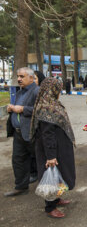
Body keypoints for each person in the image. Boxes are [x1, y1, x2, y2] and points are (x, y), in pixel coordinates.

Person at [29, 77, 75, 218]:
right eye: (58, 89)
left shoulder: (51, 103)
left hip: (58, 148)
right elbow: (47, 134)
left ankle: (56, 198)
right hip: (51, 149)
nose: (60, 92)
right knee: (50, 177)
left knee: (58, 175)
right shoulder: (45, 108)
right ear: (53, 90)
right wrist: (51, 156)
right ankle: (50, 207)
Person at [4, 67, 39, 197]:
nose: (19, 79)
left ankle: (49, 187)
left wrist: (23, 109)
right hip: (18, 133)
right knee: (18, 160)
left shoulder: (37, 91)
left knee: (40, 159)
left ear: (31, 78)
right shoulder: (19, 92)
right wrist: (11, 109)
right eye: (18, 76)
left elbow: (40, 110)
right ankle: (21, 186)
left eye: (22, 76)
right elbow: (17, 109)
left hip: (31, 133)